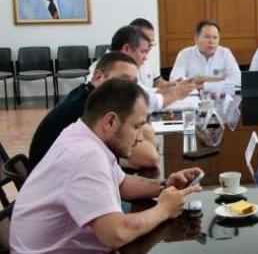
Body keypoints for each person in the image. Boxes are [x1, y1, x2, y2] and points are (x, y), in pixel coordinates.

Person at [10, 79, 203, 252]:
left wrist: (165, 185)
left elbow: (121, 183)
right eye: (136, 127)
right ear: (110, 121)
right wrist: (163, 210)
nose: (140, 137)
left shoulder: (82, 133)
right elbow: (115, 234)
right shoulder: (86, 156)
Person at [28, 52, 159, 171]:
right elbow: (149, 158)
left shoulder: (87, 95)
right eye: (123, 80)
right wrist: (145, 131)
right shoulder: (90, 108)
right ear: (98, 76)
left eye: (133, 82)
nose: (129, 89)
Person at [89, 25, 194, 112]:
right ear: (127, 49)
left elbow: (145, 93)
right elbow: (143, 102)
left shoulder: (124, 67)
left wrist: (171, 89)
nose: (145, 57)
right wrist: (176, 93)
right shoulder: (113, 69)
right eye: (143, 52)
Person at [170, 20, 241, 87]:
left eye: (215, 37)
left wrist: (204, 83)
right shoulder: (185, 54)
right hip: (192, 97)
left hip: (219, 97)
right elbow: (174, 79)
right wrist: (196, 80)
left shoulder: (225, 53)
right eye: (207, 37)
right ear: (196, 39)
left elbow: (238, 80)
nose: (211, 41)